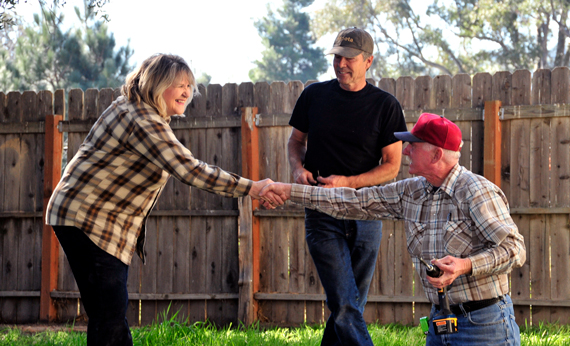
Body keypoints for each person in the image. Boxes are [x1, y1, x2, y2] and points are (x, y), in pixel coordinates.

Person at [46, 54, 274, 346]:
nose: (186, 92)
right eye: (178, 84)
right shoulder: (142, 119)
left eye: (189, 85)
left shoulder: (133, 109)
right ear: (156, 84)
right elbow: (189, 169)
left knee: (105, 314)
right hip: (90, 220)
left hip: (84, 217)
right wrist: (253, 188)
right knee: (110, 315)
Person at [262, 113, 526, 346]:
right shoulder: (411, 191)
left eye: (413, 145)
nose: (406, 151)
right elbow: (352, 201)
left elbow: (514, 250)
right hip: (440, 321)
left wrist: (464, 265)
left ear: (436, 154)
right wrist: (288, 191)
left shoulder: (476, 191)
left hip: (484, 325)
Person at [287, 27, 407, 345]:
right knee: (344, 303)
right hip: (321, 211)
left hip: (366, 213)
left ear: (368, 61)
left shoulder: (386, 106)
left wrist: (347, 184)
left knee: (349, 305)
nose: (342, 64)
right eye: (338, 56)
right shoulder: (314, 96)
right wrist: (297, 168)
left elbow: (391, 167)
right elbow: (295, 141)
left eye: (350, 58)